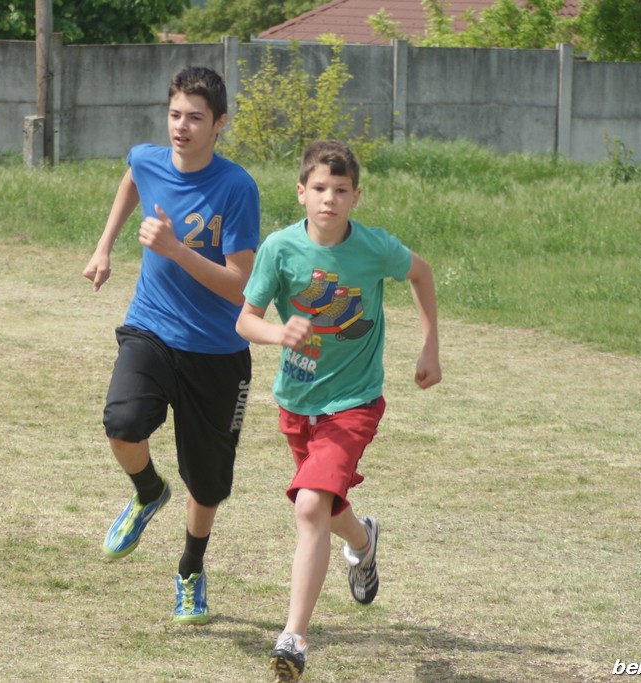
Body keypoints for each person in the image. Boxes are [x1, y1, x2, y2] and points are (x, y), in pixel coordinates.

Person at [235, 139, 441, 682]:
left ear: (356, 197)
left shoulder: (374, 248)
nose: (329, 198)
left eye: (341, 190)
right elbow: (245, 320)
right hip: (296, 402)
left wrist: (430, 347)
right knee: (325, 508)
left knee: (309, 507)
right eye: (320, 188)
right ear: (301, 192)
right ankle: (363, 540)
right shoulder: (279, 249)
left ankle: (293, 637)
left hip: (354, 403)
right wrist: (279, 333)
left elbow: (420, 273)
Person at [81, 65, 260, 625]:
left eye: (196, 118)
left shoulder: (236, 188)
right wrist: (104, 245)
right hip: (151, 327)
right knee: (122, 421)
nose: (181, 127)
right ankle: (148, 491)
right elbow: (133, 178)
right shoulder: (148, 158)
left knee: (206, 484)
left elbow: (241, 287)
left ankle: (190, 569)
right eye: (175, 115)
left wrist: (177, 250)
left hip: (217, 351)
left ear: (220, 123)